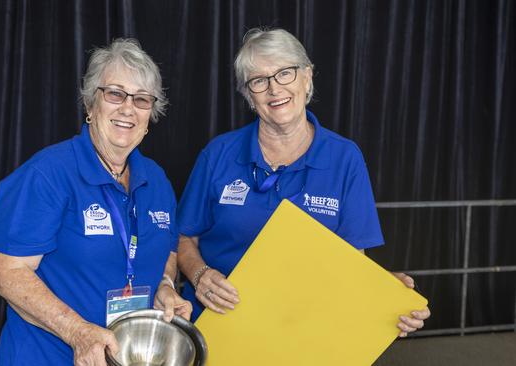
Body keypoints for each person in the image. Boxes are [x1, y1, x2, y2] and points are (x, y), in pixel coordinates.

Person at [176, 28, 430, 337]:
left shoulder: (344, 158)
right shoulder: (218, 154)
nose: (273, 89)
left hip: (304, 330)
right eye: (259, 80)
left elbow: (352, 262)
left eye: (285, 73)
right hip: (221, 325)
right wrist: (200, 275)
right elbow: (183, 238)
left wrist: (389, 296)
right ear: (248, 95)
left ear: (306, 77)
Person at [0, 38, 191, 366]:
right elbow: (7, 272)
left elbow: (167, 250)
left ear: (150, 115)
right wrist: (77, 331)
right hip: (48, 356)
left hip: (128, 356)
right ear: (90, 104)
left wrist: (165, 285)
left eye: (141, 100)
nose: (128, 108)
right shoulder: (46, 174)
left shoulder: (156, 180)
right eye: (115, 93)